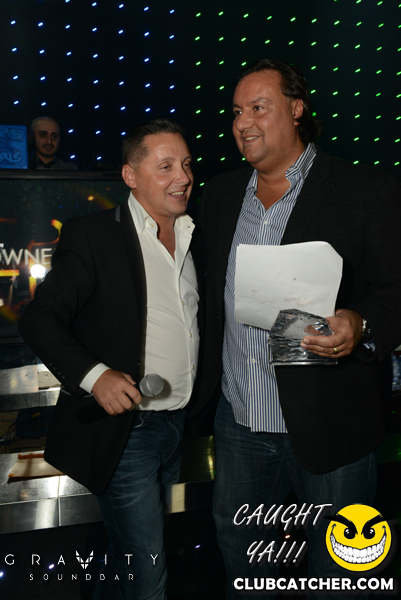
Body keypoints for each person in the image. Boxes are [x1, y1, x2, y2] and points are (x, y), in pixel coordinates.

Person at [198, 59, 401, 597]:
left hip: (331, 421)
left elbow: (396, 289)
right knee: (244, 564)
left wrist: (360, 323)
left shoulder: (365, 190)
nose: (242, 122)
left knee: (340, 570)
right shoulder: (220, 195)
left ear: (296, 109)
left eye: (258, 107)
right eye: (236, 111)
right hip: (240, 421)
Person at [18, 118, 205, 599]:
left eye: (186, 164)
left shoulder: (195, 235)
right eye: (166, 166)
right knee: (148, 572)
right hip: (127, 432)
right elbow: (39, 319)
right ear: (130, 176)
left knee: (127, 556)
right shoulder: (95, 235)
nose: (183, 177)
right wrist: (96, 376)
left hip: (177, 427)